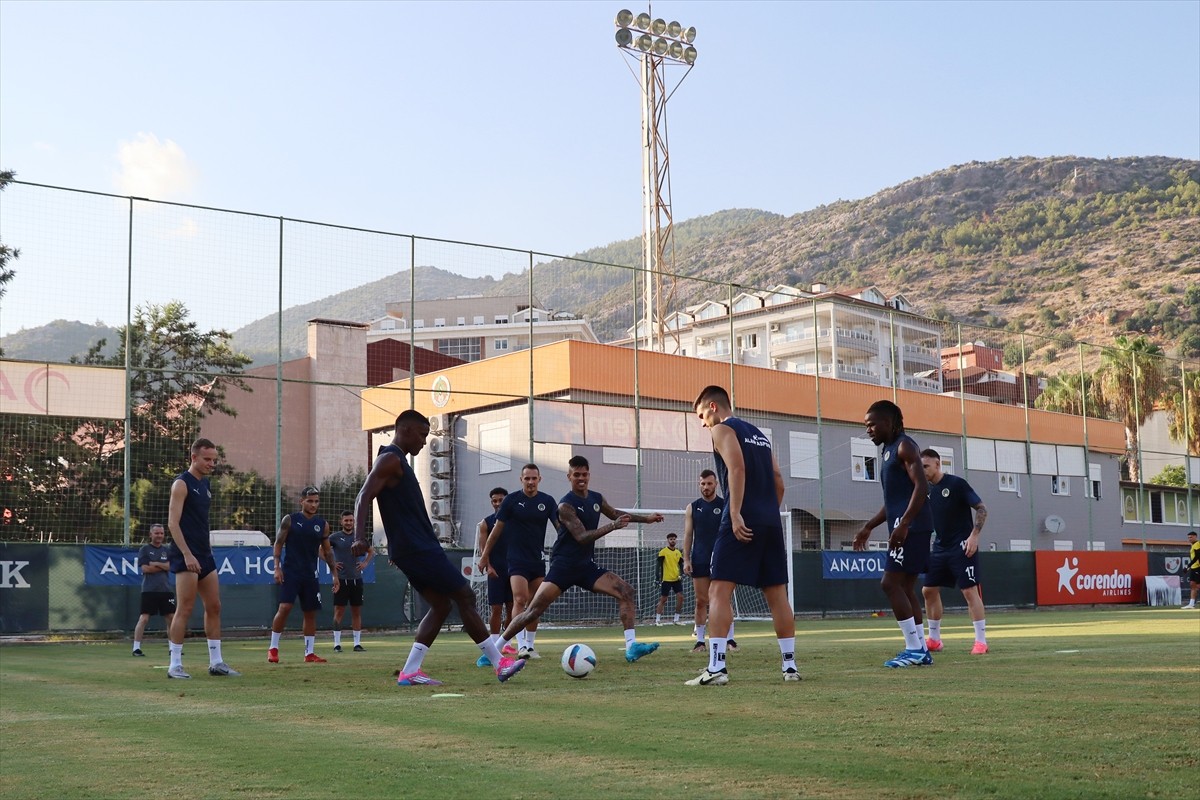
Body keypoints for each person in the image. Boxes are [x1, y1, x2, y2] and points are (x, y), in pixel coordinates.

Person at [352, 410, 525, 685]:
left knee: (442, 605)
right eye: (422, 435)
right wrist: (359, 537)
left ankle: (410, 671)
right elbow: (363, 495)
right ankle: (499, 663)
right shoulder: (390, 459)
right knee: (465, 596)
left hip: (413, 549)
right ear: (406, 430)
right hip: (418, 549)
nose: (424, 442)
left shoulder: (396, 461)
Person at [495, 455, 664, 663]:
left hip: (585, 566)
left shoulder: (596, 498)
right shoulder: (565, 505)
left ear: (589, 475)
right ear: (569, 476)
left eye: (584, 474)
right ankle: (495, 650)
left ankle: (631, 648)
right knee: (532, 611)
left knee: (626, 591)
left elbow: (614, 513)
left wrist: (645, 519)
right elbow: (582, 537)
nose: (581, 478)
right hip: (564, 566)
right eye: (576, 475)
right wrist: (613, 526)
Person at [686, 386, 799, 686]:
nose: (702, 423)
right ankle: (790, 667)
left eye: (701, 415)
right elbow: (778, 481)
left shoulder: (722, 429)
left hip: (740, 519)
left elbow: (737, 469)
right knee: (777, 596)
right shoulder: (760, 434)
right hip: (770, 523)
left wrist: (735, 513)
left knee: (718, 591)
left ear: (713, 407)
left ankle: (716, 668)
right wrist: (767, 514)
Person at [852, 400, 934, 668]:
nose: (869, 430)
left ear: (889, 422)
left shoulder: (905, 445)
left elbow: (921, 487)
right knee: (905, 587)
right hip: (907, 523)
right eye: (866, 426)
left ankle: (914, 649)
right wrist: (868, 526)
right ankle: (920, 648)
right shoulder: (888, 451)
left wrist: (905, 524)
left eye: (872, 424)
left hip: (913, 526)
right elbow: (894, 501)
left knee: (889, 584)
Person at [165, 438, 240, 679]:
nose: (211, 464)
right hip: (185, 555)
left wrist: (203, 552)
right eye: (207, 459)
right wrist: (187, 554)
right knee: (185, 608)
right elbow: (172, 523)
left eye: (214, 460)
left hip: (205, 555)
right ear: (193, 458)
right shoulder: (181, 484)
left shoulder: (205, 484)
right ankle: (174, 665)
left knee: (215, 606)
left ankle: (216, 662)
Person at [477, 464, 559, 660]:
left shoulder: (547, 501)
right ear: (521, 480)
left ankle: (530, 646)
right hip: (516, 560)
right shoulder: (512, 500)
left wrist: (565, 549)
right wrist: (485, 556)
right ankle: (521, 645)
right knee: (519, 600)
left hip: (537, 560)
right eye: (527, 478)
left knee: (535, 604)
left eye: (534, 478)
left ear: (540, 479)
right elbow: (496, 531)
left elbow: (560, 527)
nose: (530, 482)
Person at [919, 449, 990, 655]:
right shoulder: (924, 490)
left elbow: (982, 508)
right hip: (939, 548)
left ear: (938, 465)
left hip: (962, 547)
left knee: (969, 591)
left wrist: (974, 536)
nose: (922, 470)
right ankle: (934, 639)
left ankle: (981, 641)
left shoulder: (956, 484)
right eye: (920, 466)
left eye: (926, 466)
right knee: (928, 590)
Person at [267, 487, 340, 664]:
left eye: (316, 501)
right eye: (310, 501)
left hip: (310, 575)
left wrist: (334, 574)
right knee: (284, 608)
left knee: (310, 613)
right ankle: (273, 648)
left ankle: (309, 653)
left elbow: (327, 552)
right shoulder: (290, 520)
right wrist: (277, 567)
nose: (313, 504)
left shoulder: (322, 525)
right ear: (302, 501)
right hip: (291, 572)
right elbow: (278, 543)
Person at [682, 469, 738, 654]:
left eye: (709, 483)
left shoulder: (725, 505)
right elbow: (688, 534)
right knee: (700, 601)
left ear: (716, 484)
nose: (706, 487)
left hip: (722, 559)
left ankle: (730, 639)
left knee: (723, 599)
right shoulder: (692, 507)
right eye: (702, 484)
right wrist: (687, 559)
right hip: (699, 559)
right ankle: (699, 641)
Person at [474, 487, 514, 667]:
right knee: (496, 608)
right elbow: (484, 550)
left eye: (501, 500)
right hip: (496, 571)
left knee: (514, 607)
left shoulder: (514, 521)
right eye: (494, 501)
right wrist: (488, 567)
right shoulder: (486, 523)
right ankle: (494, 643)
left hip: (514, 569)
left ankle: (507, 643)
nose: (497, 503)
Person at [330, 509, 374, 652]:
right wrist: (332, 563)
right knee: (339, 611)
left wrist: (365, 563)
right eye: (346, 520)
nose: (348, 523)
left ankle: (357, 643)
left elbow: (370, 551)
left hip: (356, 580)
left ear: (354, 522)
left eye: (351, 520)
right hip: (341, 580)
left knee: (356, 612)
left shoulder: (358, 538)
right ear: (341, 521)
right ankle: (337, 644)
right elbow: (321, 550)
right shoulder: (335, 537)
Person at [132, 524, 175, 657]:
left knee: (171, 618)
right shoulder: (144, 549)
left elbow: (169, 567)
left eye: (161, 533)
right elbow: (145, 569)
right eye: (156, 533)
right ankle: (136, 648)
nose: (159, 536)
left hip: (165, 589)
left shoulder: (167, 550)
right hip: (149, 589)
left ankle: (173, 648)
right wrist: (162, 566)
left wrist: (155, 563)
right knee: (144, 618)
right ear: (150, 534)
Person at [654, 533, 685, 626]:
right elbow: (658, 565)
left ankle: (676, 619)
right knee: (663, 599)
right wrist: (657, 578)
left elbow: (681, 565)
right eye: (671, 539)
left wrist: (682, 574)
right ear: (668, 540)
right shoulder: (663, 552)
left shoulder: (678, 552)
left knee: (680, 597)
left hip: (676, 579)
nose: (673, 541)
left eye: (674, 539)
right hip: (666, 579)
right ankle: (657, 620)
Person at [1184, 531, 1199, 609]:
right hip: (1193, 567)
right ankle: (1191, 604)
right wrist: (1189, 567)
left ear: (1195, 537)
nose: (1189, 539)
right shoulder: (1193, 545)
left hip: (1197, 567)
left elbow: (1197, 557)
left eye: (1191, 537)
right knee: (1192, 585)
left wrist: (1188, 566)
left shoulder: (1197, 544)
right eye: (1188, 537)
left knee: (1197, 585)